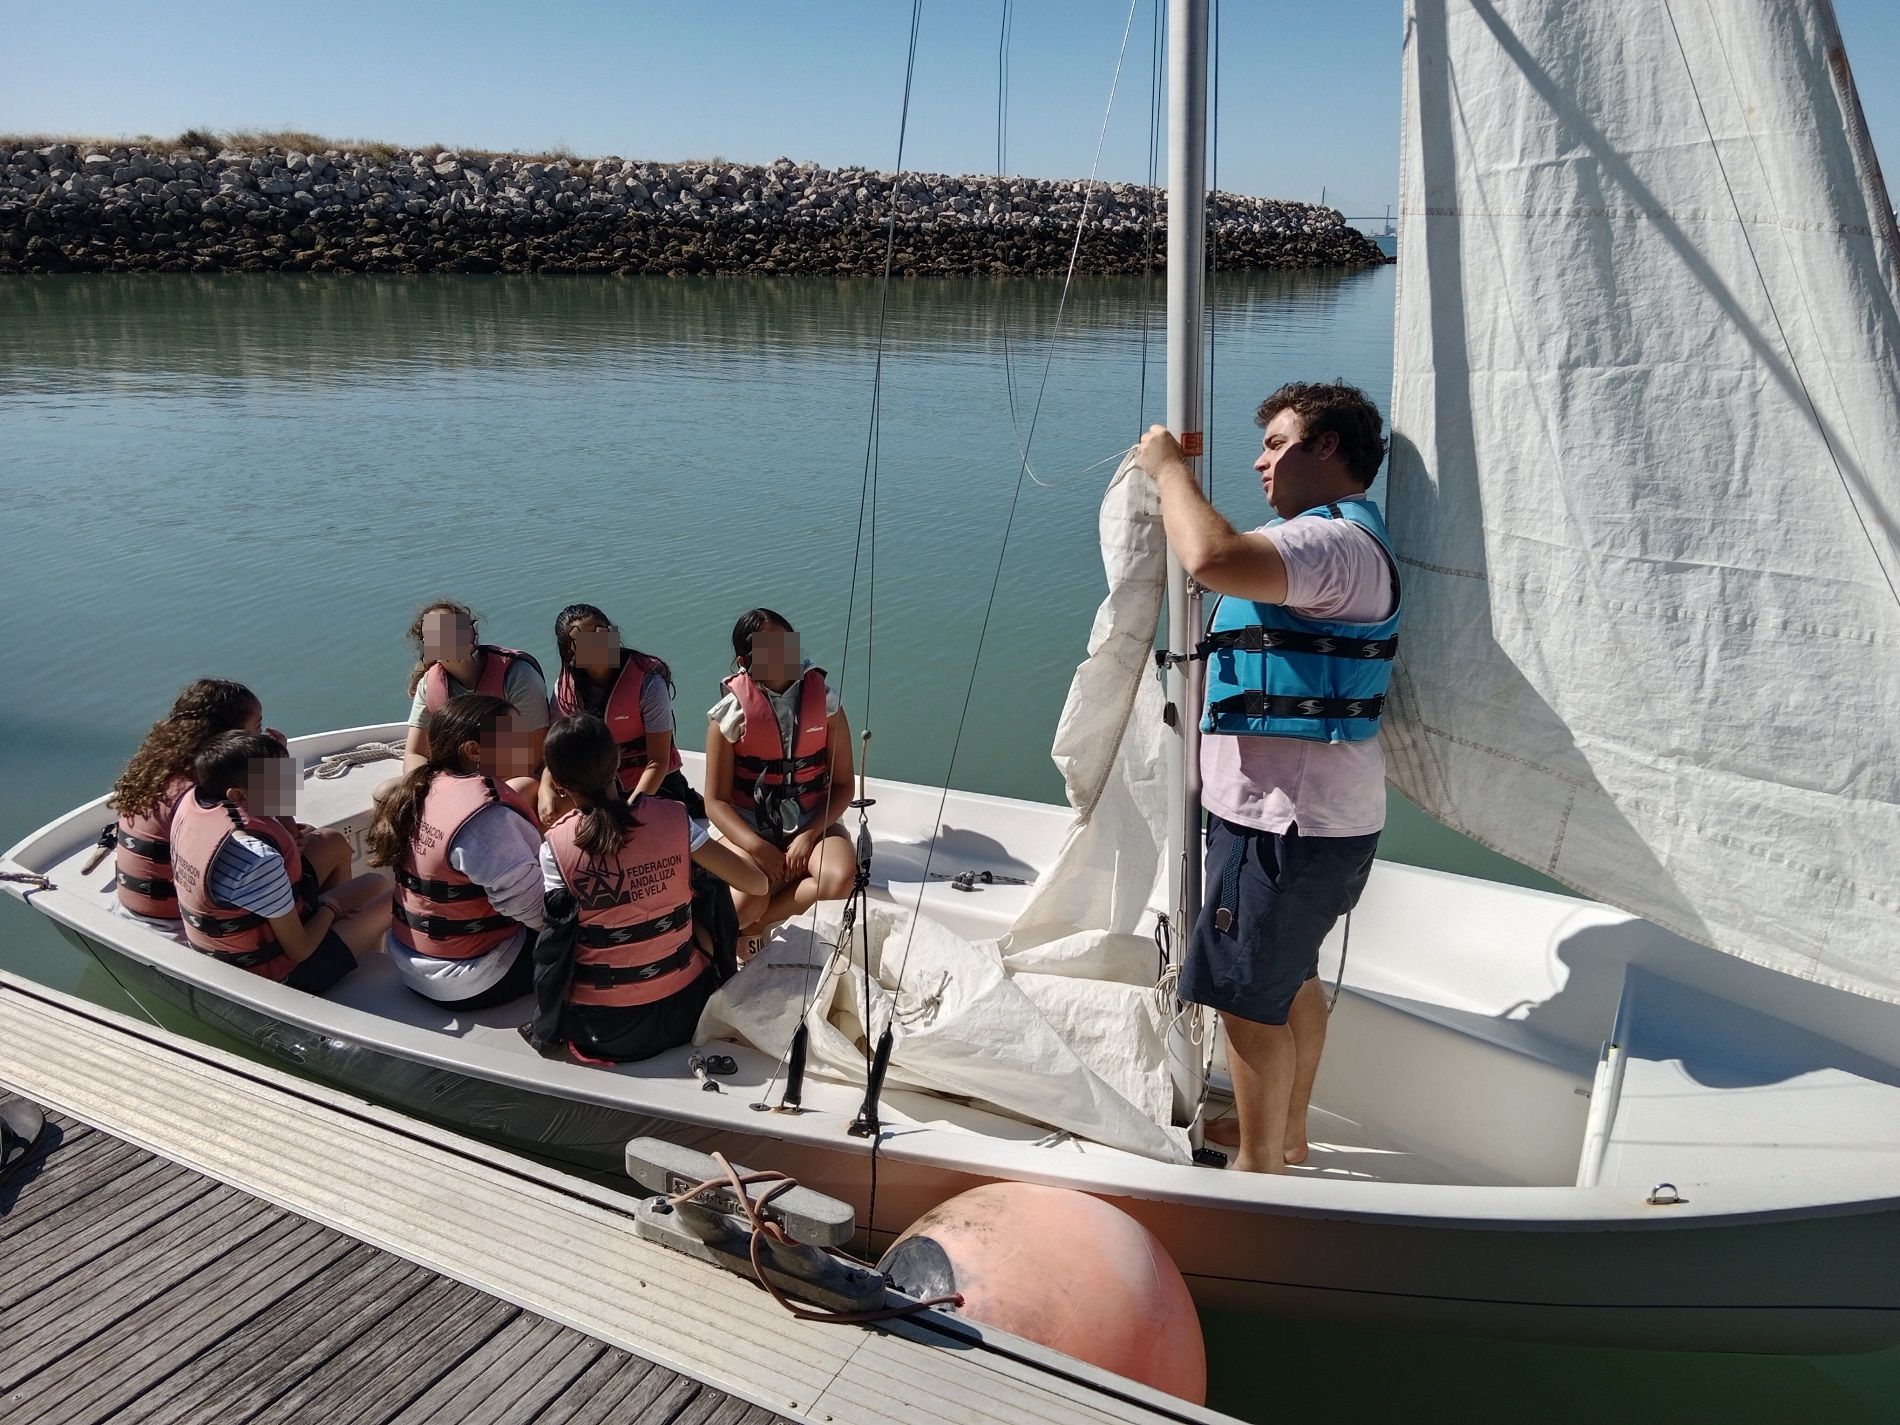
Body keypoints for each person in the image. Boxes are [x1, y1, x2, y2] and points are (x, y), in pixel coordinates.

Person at [1137, 380, 1399, 1175]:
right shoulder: (1350, 540)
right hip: (1323, 821)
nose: (1259, 461)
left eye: (1277, 443)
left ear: (1327, 449)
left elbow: (1212, 556)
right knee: (1291, 980)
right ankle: (1284, 1135)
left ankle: (1258, 1172)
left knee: (1248, 1002)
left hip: (1282, 824)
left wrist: (1165, 469)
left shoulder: (1331, 547)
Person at [528, 715, 768, 1062]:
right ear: (618, 764)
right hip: (687, 1012)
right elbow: (756, 884)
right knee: (703, 899)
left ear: (560, 784)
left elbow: (553, 938)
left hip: (604, 1030)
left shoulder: (554, 847)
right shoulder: (673, 817)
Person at [109, 679, 352, 934]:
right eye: (256, 727)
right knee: (332, 843)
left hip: (139, 906)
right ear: (231, 737)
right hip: (189, 920)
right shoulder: (210, 790)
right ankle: (327, 936)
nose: (261, 735)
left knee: (311, 832)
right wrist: (273, 769)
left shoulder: (157, 770)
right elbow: (290, 838)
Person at [169, 730, 392, 992]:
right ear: (238, 795)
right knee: (391, 899)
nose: (288, 788)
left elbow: (288, 834)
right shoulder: (256, 858)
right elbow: (300, 950)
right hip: (278, 976)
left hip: (234, 946)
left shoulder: (196, 806)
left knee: (348, 859)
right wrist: (330, 908)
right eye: (278, 780)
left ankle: (345, 948)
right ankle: (352, 969)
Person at [368, 692, 547, 1009]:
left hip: (411, 964)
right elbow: (538, 914)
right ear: (474, 750)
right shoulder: (487, 819)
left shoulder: (422, 788)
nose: (528, 744)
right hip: (473, 980)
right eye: (514, 737)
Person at [703, 609, 856, 946]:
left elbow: (844, 785)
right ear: (746, 660)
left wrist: (809, 834)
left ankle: (758, 924)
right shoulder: (728, 715)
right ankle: (755, 908)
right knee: (746, 900)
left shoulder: (827, 702)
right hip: (750, 829)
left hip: (813, 821)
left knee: (840, 879)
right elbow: (714, 803)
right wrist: (759, 847)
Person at [543, 603, 694, 821]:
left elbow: (659, 761)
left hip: (653, 786)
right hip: (595, 787)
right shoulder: (564, 690)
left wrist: (630, 809)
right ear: (570, 651)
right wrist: (545, 789)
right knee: (549, 814)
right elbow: (557, 752)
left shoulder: (647, 682)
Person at [400, 599, 551, 775]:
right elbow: (415, 753)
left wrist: (477, 788)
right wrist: (425, 785)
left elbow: (533, 756)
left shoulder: (517, 674)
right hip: (453, 777)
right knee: (385, 792)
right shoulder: (428, 684)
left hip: (512, 775)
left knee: (521, 785)